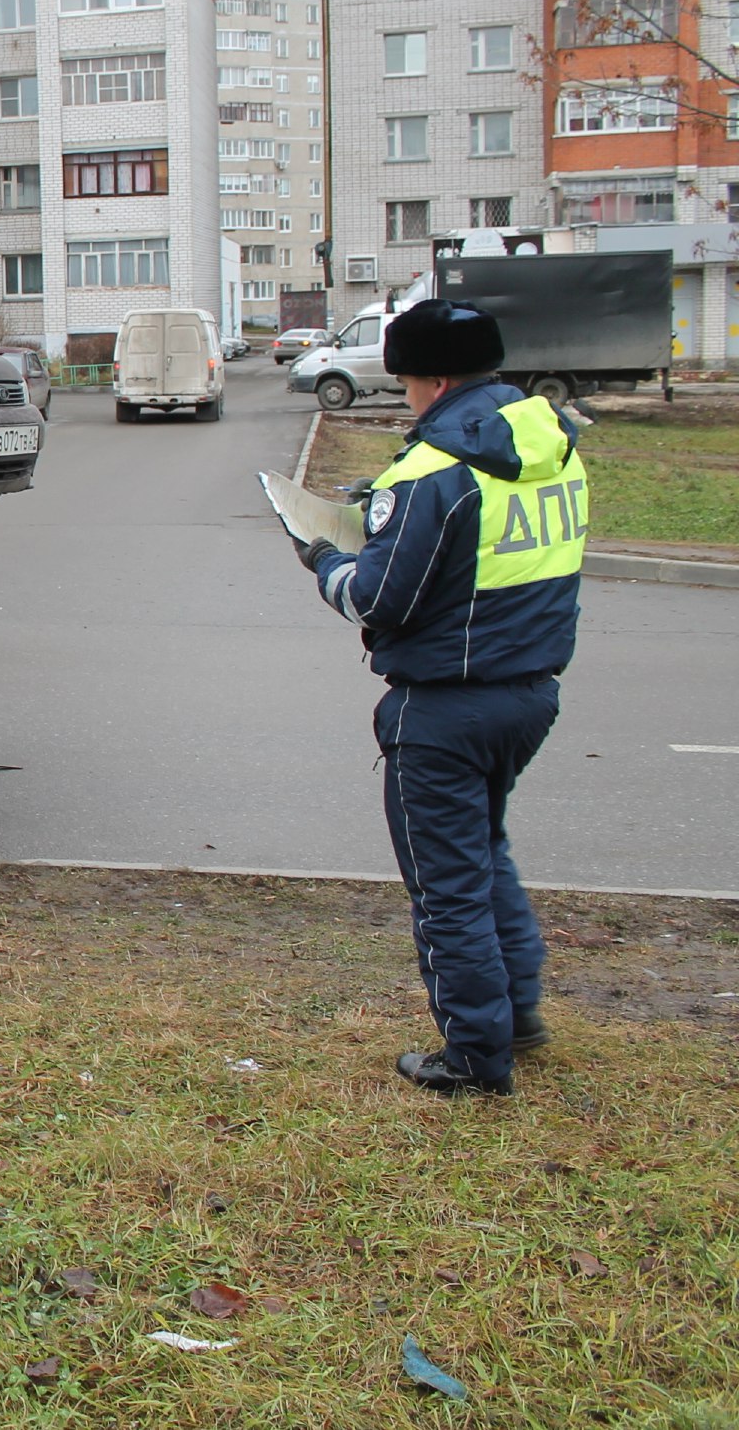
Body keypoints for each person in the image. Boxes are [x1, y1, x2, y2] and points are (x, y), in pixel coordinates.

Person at [293, 300, 587, 1097]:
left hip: (443, 708)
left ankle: (474, 1059)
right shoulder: (552, 447)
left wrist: (321, 556)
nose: (408, 398)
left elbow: (379, 599)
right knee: (483, 853)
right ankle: (517, 1014)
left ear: (438, 378)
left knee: (447, 888)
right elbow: (480, 552)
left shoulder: (431, 473)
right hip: (529, 692)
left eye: (410, 383)